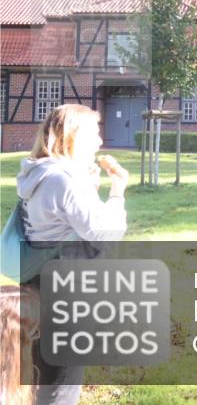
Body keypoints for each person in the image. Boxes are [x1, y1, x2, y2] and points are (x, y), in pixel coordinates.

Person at [14, 104, 130, 405]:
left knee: (44, 375)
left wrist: (88, 186)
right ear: (74, 137)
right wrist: (117, 191)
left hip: (37, 284)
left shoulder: (39, 173)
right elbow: (104, 233)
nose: (100, 142)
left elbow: (56, 222)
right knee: (62, 384)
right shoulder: (63, 180)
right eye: (95, 133)